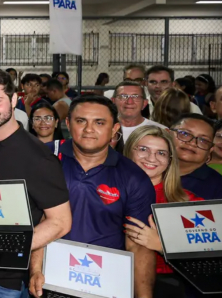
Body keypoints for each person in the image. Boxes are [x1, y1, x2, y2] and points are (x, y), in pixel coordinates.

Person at [0, 68, 72, 298]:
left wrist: (8, 246)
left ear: (13, 100)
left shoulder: (39, 159)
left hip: (4, 280)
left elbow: (61, 222)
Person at [46, 95, 156, 298]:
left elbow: (138, 245)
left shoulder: (133, 177)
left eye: (99, 122)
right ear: (68, 124)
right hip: (48, 276)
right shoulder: (45, 159)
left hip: (104, 280)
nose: (89, 130)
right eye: (81, 121)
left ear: (114, 129)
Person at [120, 126, 203, 298]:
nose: (152, 158)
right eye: (143, 149)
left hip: (167, 280)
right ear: (129, 151)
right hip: (112, 273)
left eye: (161, 153)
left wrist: (162, 245)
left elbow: (206, 259)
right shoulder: (108, 191)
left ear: (169, 160)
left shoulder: (188, 202)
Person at [170, 114, 222, 200]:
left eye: (203, 140)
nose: (192, 143)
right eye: (185, 134)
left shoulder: (220, 188)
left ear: (210, 150)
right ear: (167, 133)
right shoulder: (150, 167)